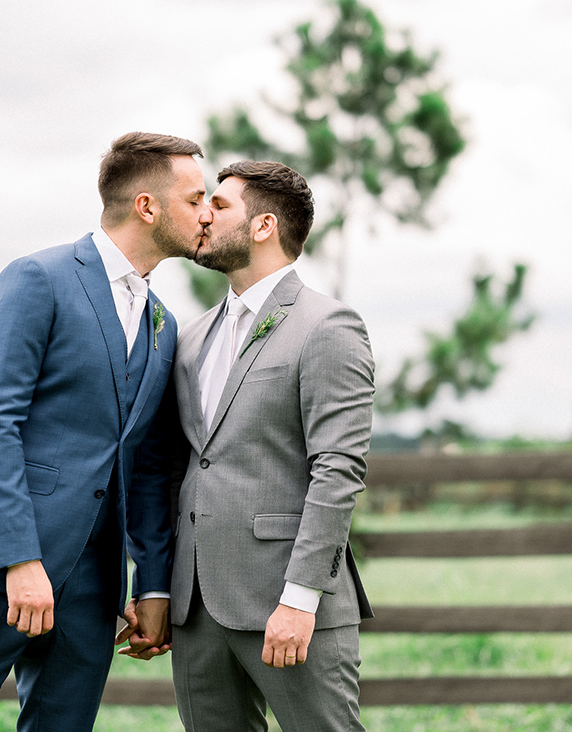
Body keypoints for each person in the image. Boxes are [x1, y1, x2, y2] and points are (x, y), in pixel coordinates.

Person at [0, 131, 211, 732]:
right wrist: (19, 560)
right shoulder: (36, 279)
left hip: (94, 583)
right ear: (148, 206)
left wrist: (151, 584)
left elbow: (147, 465)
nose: (209, 213)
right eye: (198, 197)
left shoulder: (162, 322)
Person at [167, 160, 375, 731]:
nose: (202, 215)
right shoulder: (190, 337)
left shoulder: (328, 327)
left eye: (220, 205)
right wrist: (160, 589)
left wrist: (301, 597)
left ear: (263, 226)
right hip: (195, 610)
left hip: (287, 605)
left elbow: (338, 469)